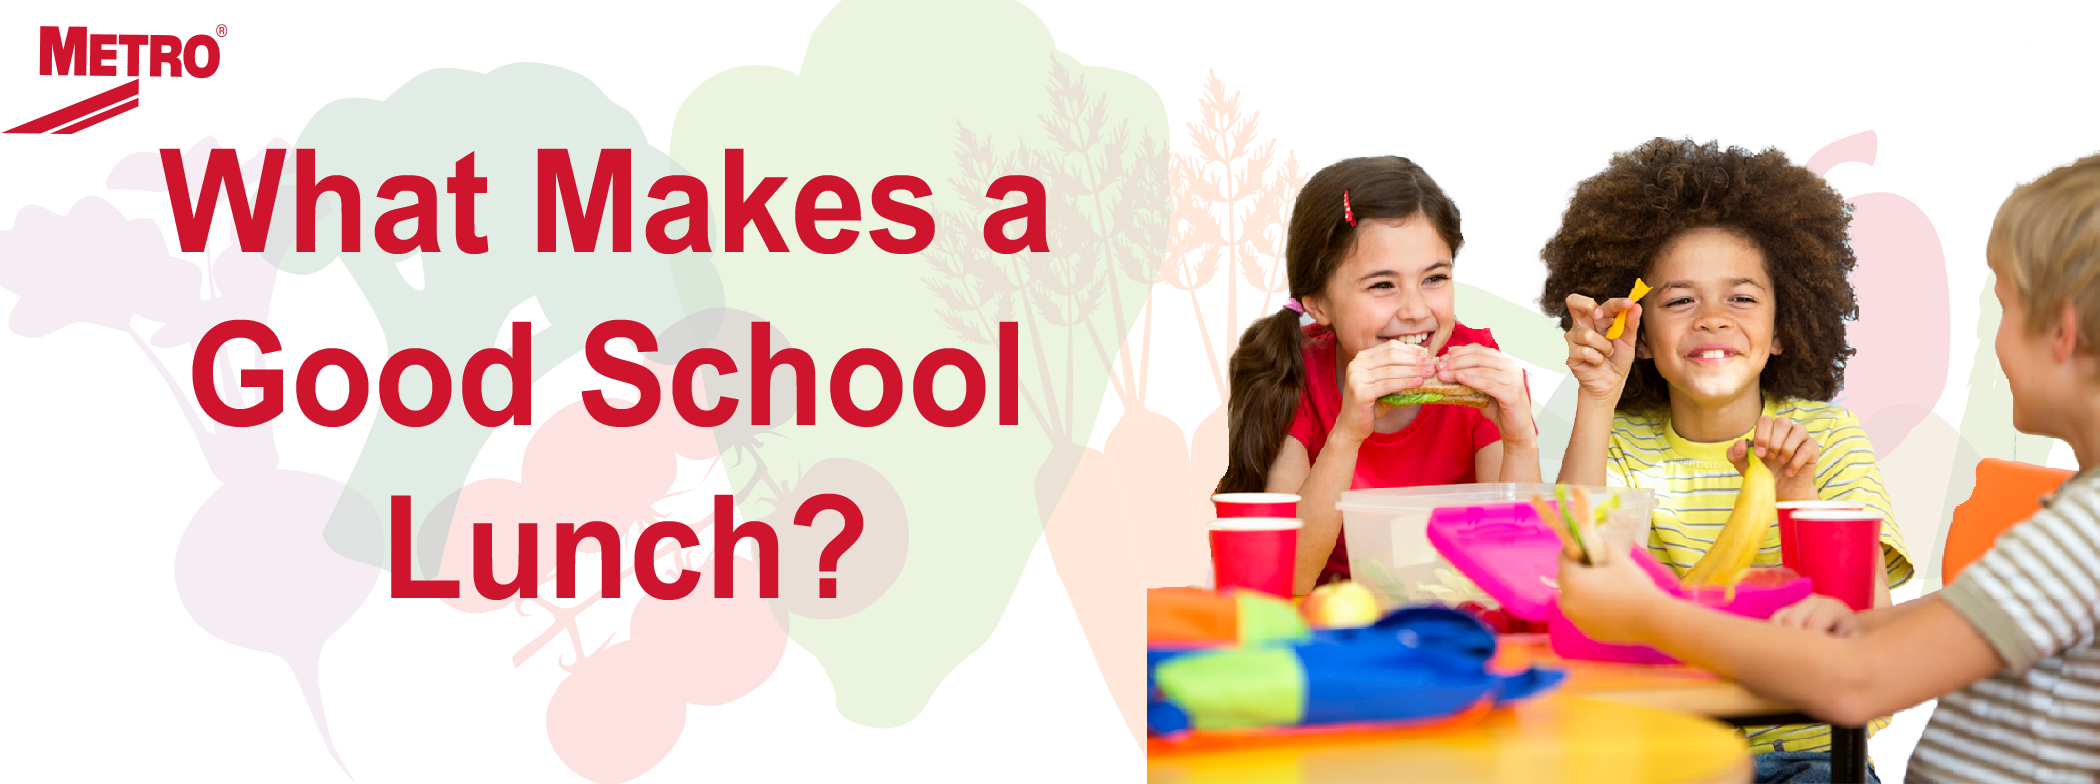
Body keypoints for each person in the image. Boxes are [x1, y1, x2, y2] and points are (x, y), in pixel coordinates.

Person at [1559, 152, 2100, 784]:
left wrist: (1648, 612)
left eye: (2001, 307)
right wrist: (1866, 624)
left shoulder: (2086, 528)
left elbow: (1857, 686)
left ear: (2061, 333)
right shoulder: (2077, 518)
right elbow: (1956, 621)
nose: (1995, 340)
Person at [1539, 138, 1913, 779]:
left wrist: (1798, 494)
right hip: (1663, 752)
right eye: (1679, 300)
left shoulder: (1830, 436)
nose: (1712, 319)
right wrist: (1597, 398)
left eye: (1741, 298)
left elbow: (1867, 626)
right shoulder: (1619, 442)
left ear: (1782, 326)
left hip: (1811, 753)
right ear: (1643, 336)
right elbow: (1570, 575)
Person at [1219, 156, 1540, 597]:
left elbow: (1518, 569)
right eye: (1382, 285)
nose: (1414, 310)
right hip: (1330, 624)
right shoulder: (1297, 376)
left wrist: (1521, 438)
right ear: (1318, 305)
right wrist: (1347, 433)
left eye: (1435, 278)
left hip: (1446, 619)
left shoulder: (1477, 364)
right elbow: (1288, 581)